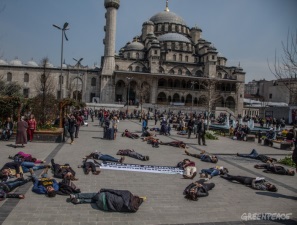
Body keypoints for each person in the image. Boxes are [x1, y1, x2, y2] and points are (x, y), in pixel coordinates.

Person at [69, 189, 146, 212]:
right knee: (96, 200)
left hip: (103, 197)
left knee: (94, 195)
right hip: (104, 207)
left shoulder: (128, 193)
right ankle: (79, 201)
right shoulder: (132, 209)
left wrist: (103, 189)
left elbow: (114, 191)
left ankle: (76, 195)